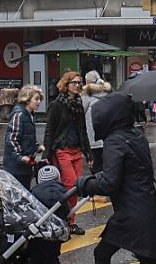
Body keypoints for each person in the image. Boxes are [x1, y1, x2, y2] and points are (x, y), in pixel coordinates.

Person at [76, 93, 156, 264]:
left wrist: (84, 184)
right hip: (144, 206)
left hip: (130, 211)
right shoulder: (136, 135)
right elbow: (130, 169)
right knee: (145, 257)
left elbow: (109, 183)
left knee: (102, 254)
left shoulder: (114, 141)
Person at [43, 71, 90, 235]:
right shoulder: (57, 105)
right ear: (66, 85)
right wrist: (46, 154)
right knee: (70, 185)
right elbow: (49, 131)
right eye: (74, 83)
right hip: (62, 150)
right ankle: (64, 220)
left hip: (77, 150)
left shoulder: (78, 104)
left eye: (79, 82)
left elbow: (83, 130)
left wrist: (88, 154)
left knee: (76, 187)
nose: (77, 85)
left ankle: (71, 221)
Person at [3, 85, 44, 189]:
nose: (39, 102)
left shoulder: (30, 115)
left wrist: (37, 147)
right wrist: (20, 157)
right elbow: (11, 139)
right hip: (15, 167)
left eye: (40, 99)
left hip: (25, 166)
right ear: (27, 99)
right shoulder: (19, 114)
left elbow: (27, 138)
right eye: (36, 99)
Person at [26, 165, 69, 264]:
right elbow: (67, 210)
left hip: (38, 233)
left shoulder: (34, 192)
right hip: (57, 233)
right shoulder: (63, 191)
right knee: (52, 256)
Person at [82, 70, 112, 174]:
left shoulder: (86, 95)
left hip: (93, 138)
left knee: (95, 167)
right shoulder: (108, 93)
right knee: (106, 166)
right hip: (107, 137)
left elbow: (81, 112)